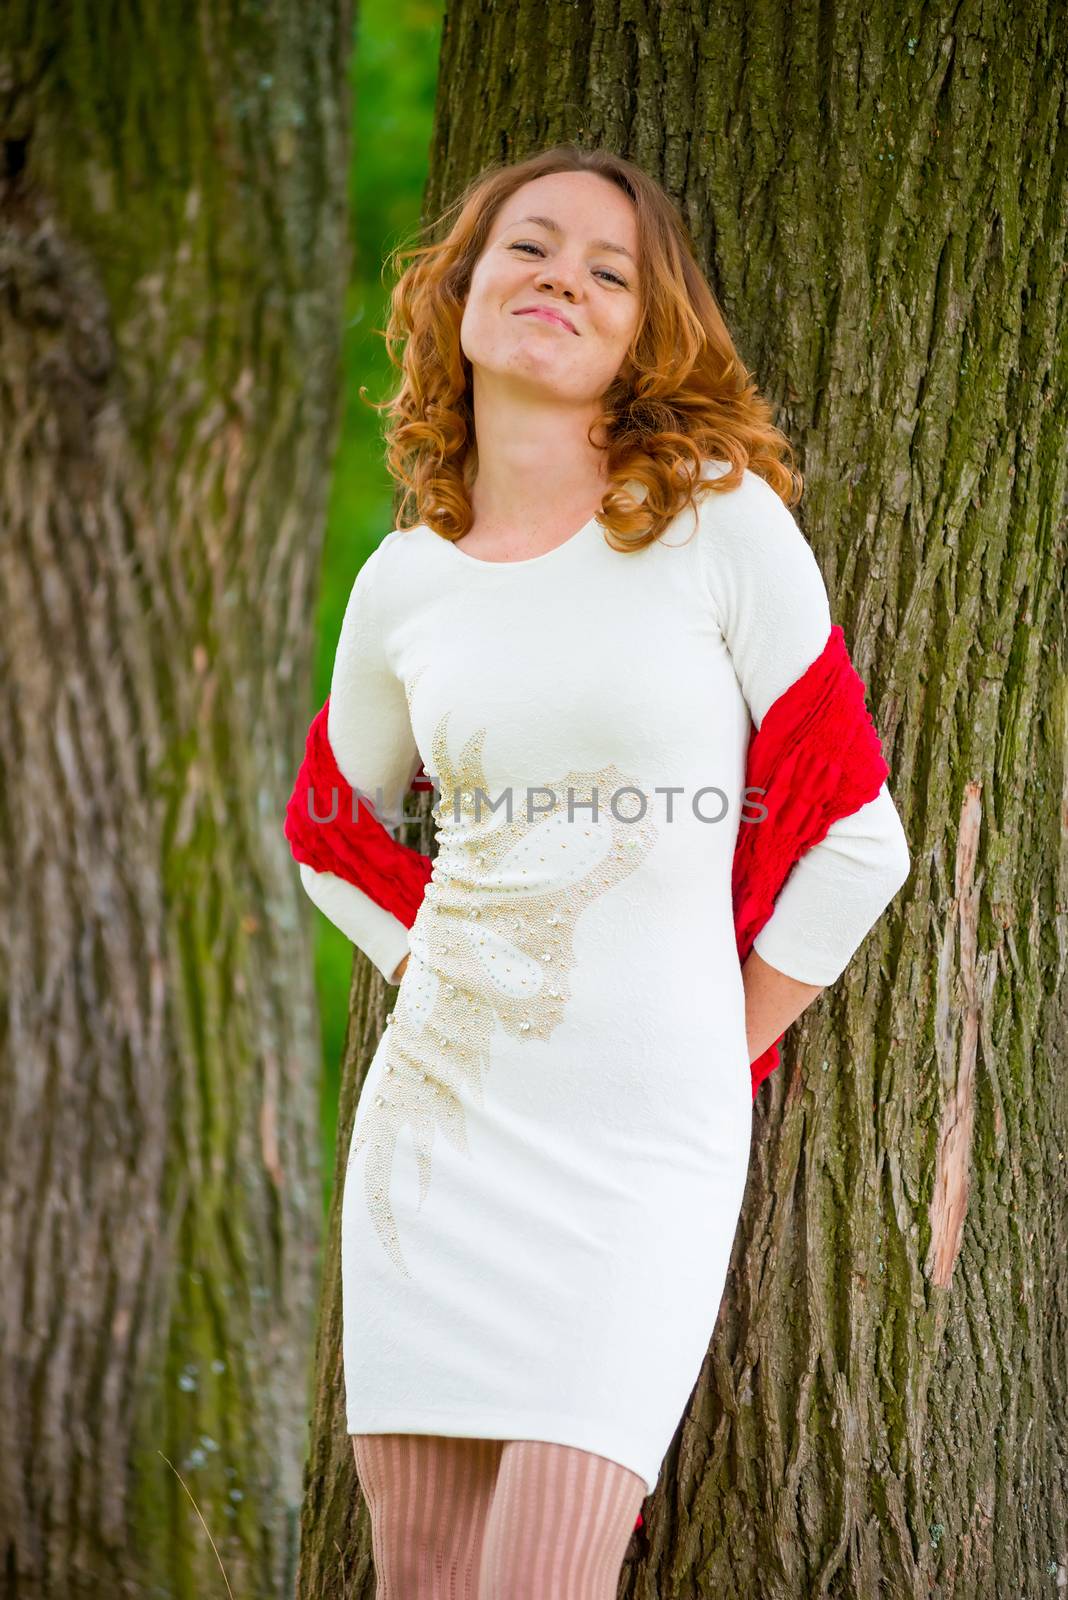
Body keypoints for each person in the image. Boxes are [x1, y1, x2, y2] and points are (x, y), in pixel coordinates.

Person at [290, 143, 911, 1599]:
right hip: (434, 1145)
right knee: (423, 1585)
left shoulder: (712, 518)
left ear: (645, 333)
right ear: (458, 293)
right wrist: (447, 970)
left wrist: (709, 1049)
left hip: (640, 1157)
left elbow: (857, 843)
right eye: (529, 247)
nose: (562, 276)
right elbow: (330, 833)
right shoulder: (408, 580)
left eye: (608, 269)